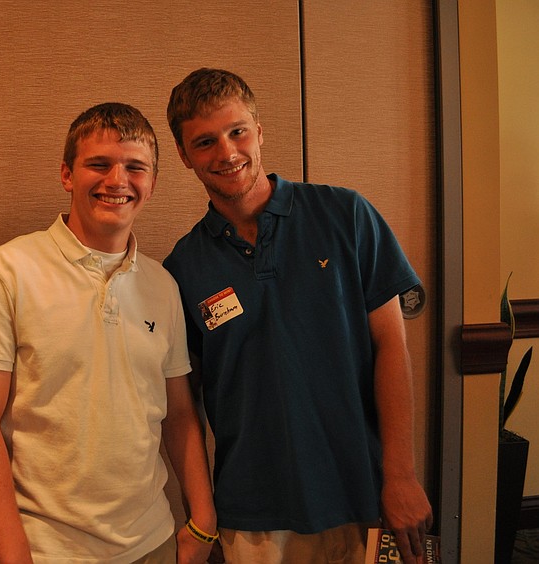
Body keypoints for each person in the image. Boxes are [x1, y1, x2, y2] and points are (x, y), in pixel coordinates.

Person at [162, 68, 433, 564]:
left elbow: (392, 348)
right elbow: (184, 406)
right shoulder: (181, 268)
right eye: (205, 142)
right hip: (252, 515)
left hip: (364, 496)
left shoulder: (346, 215)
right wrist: (200, 517)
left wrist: (401, 475)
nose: (226, 153)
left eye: (237, 131)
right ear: (184, 155)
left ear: (260, 131)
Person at [0, 102, 216, 563]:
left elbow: (178, 413)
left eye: (135, 167)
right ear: (66, 174)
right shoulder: (4, 272)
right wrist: (13, 554)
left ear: (152, 183)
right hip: (43, 550)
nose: (117, 180)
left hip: (151, 542)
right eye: (99, 164)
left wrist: (203, 521)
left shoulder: (163, 284)